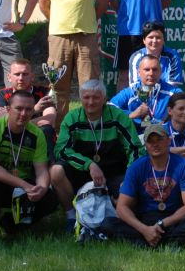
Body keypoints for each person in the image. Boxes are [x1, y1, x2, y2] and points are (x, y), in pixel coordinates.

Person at [50, 79, 140, 230]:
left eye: (96, 97)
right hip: (82, 171)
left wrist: (130, 177)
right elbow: (61, 150)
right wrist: (89, 165)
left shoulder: (118, 117)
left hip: (114, 172)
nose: (91, 102)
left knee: (127, 199)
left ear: (104, 99)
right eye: (86, 97)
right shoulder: (72, 118)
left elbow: (135, 148)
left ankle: (112, 214)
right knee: (56, 171)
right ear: (80, 99)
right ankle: (71, 216)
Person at [37, 0, 108, 120]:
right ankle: (59, 129)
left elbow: (102, 3)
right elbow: (43, 4)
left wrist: (88, 19)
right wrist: (58, 21)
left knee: (90, 86)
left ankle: (90, 127)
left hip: (86, 36)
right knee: (58, 86)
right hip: (59, 37)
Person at [106, 123, 185, 248]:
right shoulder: (136, 167)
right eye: (150, 141)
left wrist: (162, 224)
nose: (155, 144)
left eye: (159, 139)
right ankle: (161, 241)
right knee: (108, 224)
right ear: (145, 145)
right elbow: (122, 207)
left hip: (173, 219)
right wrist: (144, 229)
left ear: (168, 141)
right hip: (145, 219)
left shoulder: (183, 166)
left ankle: (149, 243)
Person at [0, 90, 58, 235]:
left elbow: (41, 170)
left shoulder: (37, 133)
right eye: (19, 108)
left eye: (28, 109)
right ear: (8, 109)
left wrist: (41, 188)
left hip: (21, 185)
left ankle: (11, 225)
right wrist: (25, 185)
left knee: (50, 197)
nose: (23, 113)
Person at [0, 59, 58, 153]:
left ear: (32, 76)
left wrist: (16, 122)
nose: (21, 78)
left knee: (47, 130)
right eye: (17, 74)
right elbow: (1, 120)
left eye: (25, 74)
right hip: (11, 137)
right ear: (9, 77)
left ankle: (48, 162)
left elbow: (48, 120)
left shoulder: (44, 92)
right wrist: (35, 109)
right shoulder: (2, 94)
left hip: (36, 135)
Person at [110, 54, 177, 128]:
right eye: (147, 70)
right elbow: (109, 109)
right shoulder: (131, 92)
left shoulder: (173, 92)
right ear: (139, 72)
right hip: (136, 134)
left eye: (155, 70)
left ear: (160, 72)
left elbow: (184, 112)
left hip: (163, 133)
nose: (151, 73)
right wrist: (132, 114)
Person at [127, 21, 184, 89]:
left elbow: (172, 87)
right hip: (143, 93)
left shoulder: (173, 56)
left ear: (163, 40)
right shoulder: (136, 57)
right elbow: (135, 86)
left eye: (158, 37)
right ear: (144, 40)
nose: (154, 41)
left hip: (167, 94)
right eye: (151, 37)